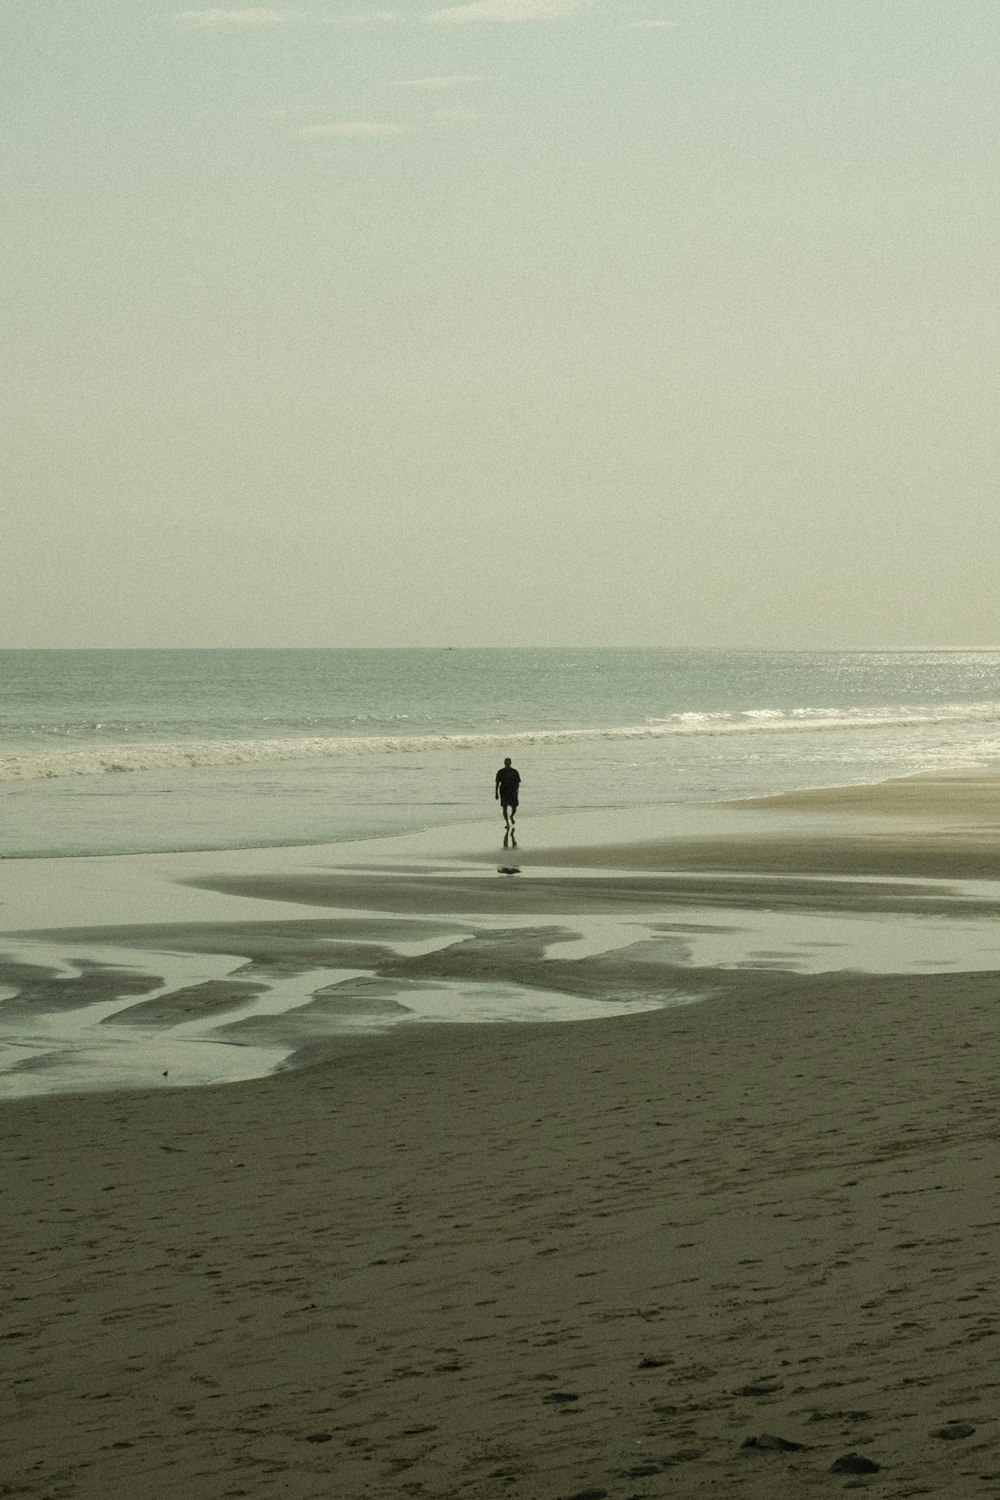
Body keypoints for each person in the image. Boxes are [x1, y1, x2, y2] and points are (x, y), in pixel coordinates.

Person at [494, 757, 521, 845]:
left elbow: (518, 783)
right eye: (506, 762)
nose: (507, 763)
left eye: (508, 762)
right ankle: (507, 822)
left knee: (514, 807)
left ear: (511, 763)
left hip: (512, 791)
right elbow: (497, 783)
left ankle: (512, 816)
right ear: (504, 763)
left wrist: (516, 792)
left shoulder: (515, 772)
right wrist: (496, 793)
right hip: (504, 792)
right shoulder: (500, 772)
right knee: (504, 808)